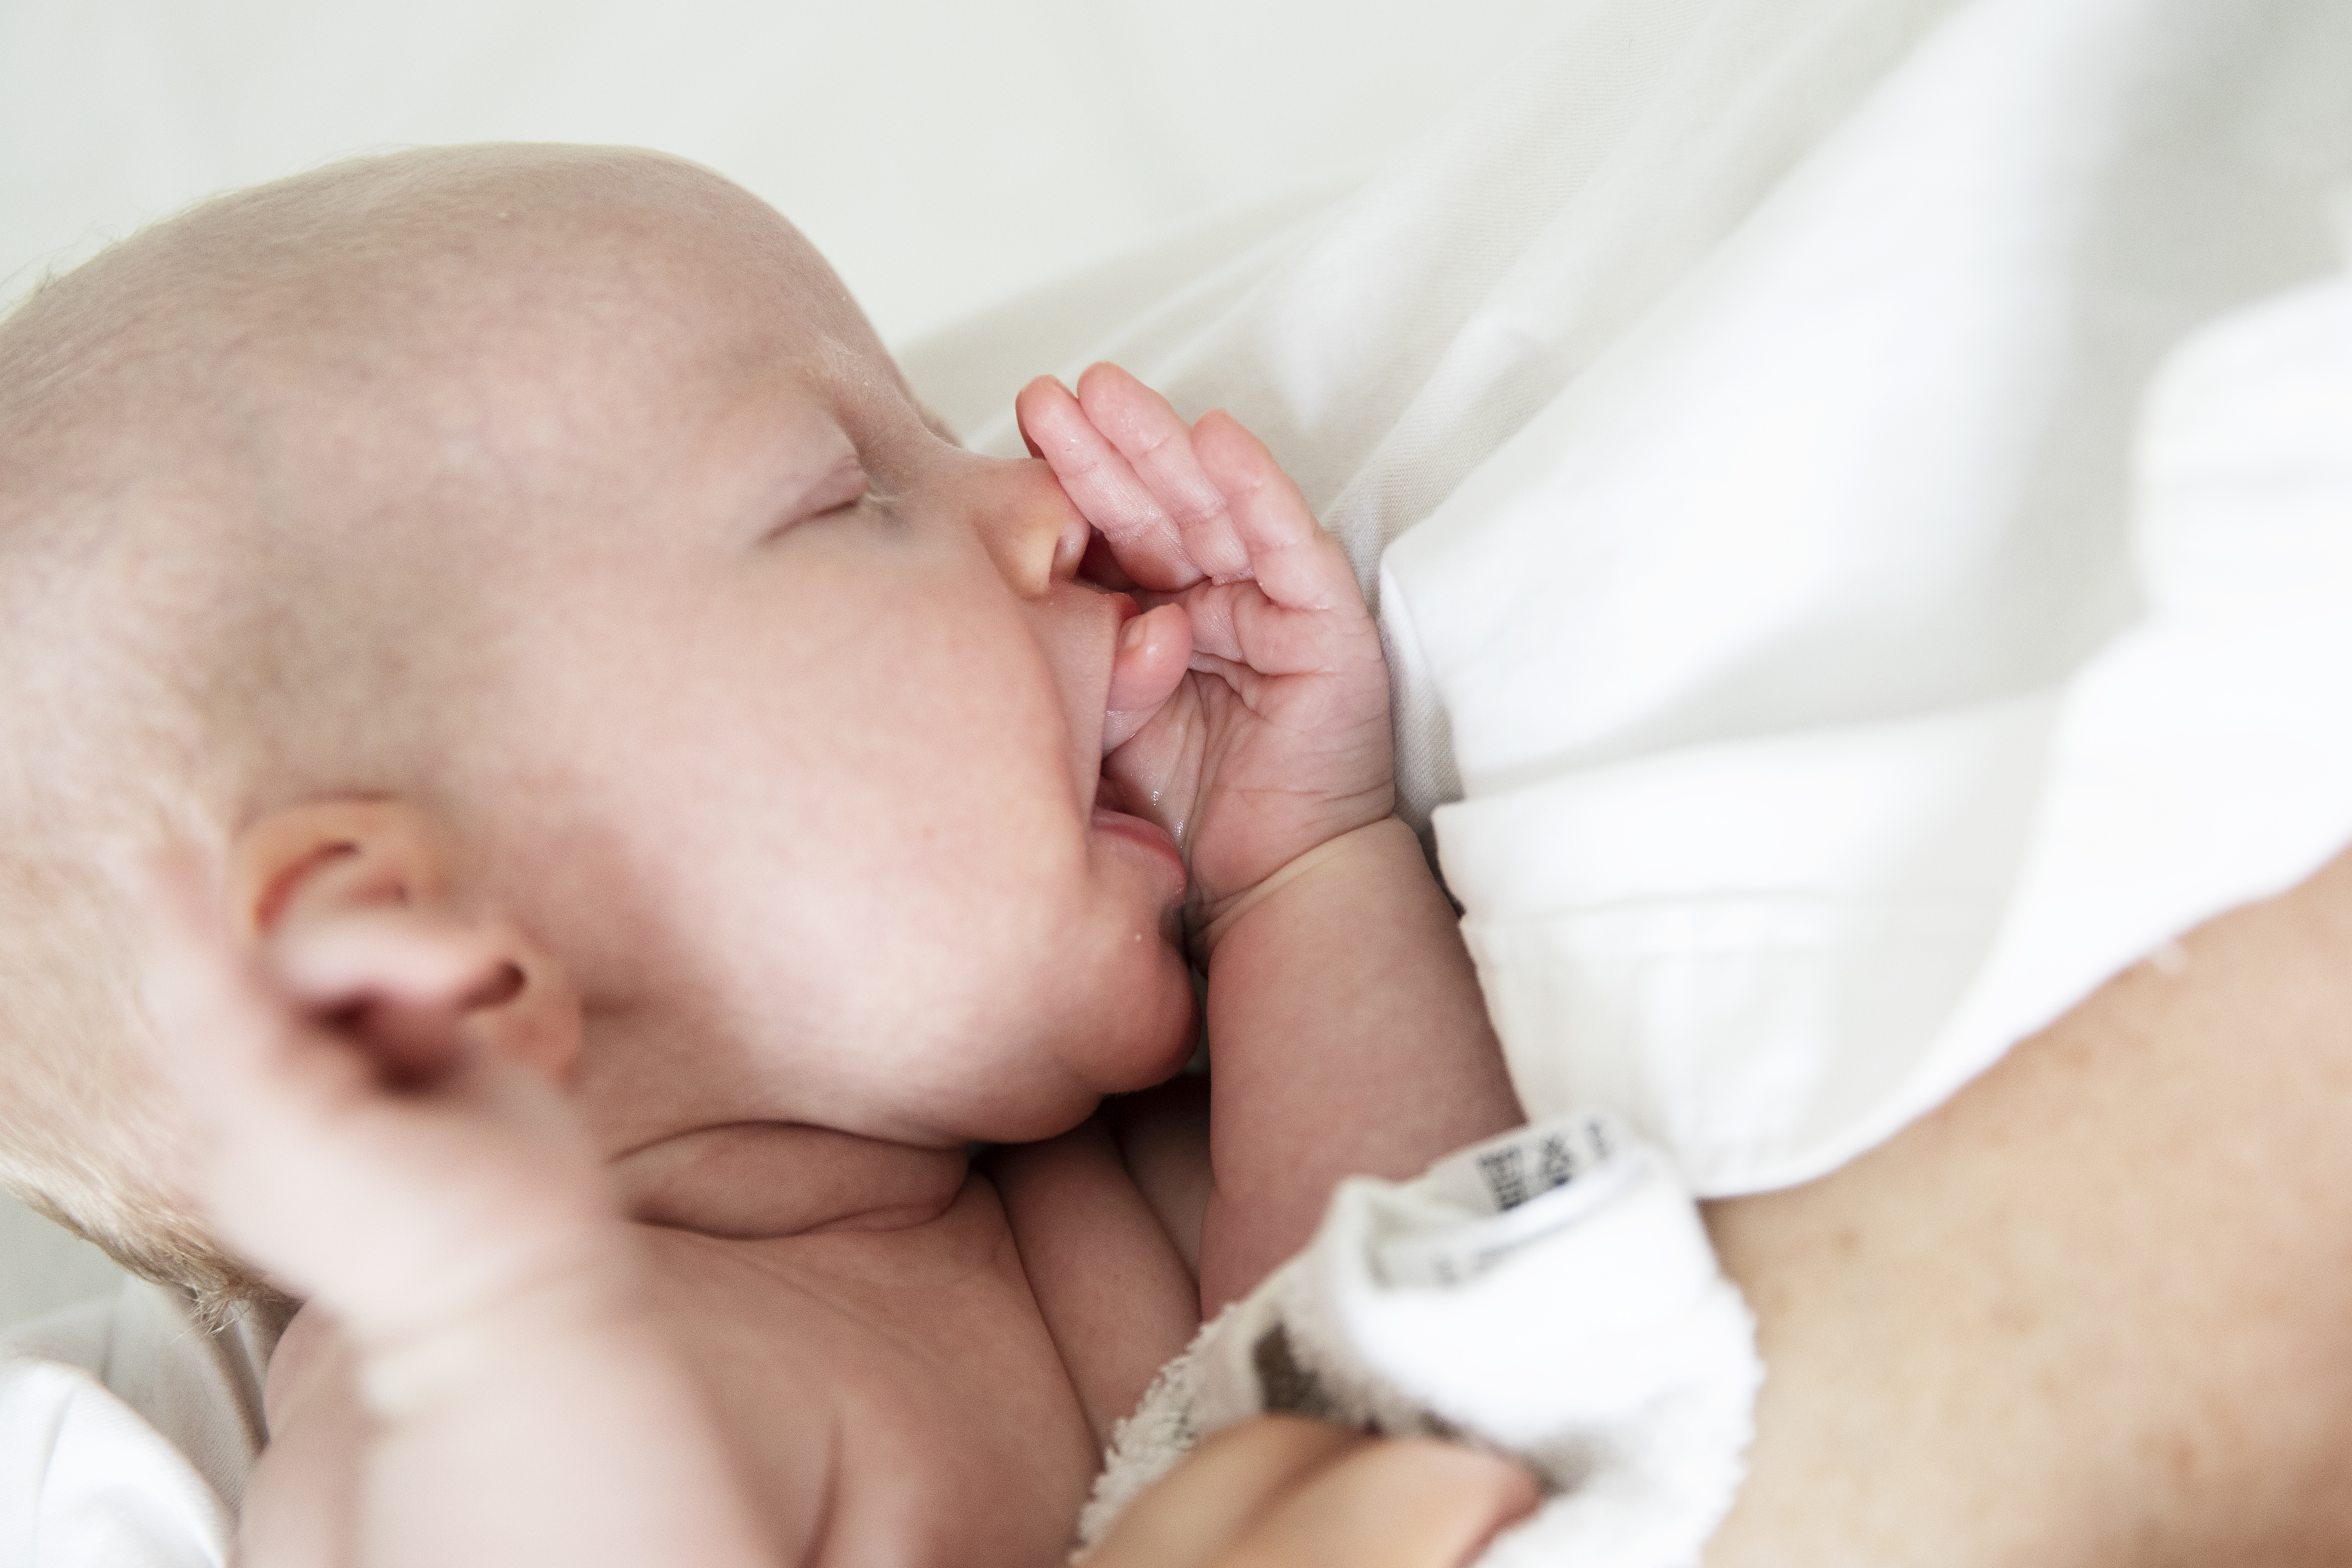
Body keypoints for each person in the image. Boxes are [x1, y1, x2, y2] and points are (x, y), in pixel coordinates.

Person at [0, 143, 1536, 1566]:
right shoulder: (472, 1408)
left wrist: (1300, 865)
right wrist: (486, 1306)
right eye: (847, 494)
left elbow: (1425, 1327)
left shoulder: (1019, 1180)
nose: (1043, 504)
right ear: (419, 961)